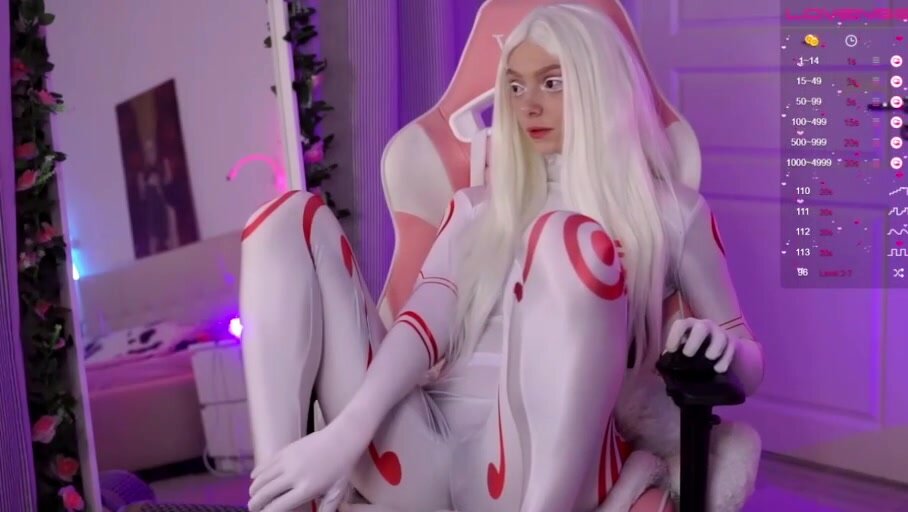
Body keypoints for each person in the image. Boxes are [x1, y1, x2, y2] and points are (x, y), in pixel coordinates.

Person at [239, 4, 764, 512]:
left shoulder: (672, 213)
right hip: (417, 455)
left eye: (551, 83)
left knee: (563, 238)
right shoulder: (476, 207)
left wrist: (722, 349)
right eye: (514, 86)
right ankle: (278, 497)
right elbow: (422, 326)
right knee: (284, 219)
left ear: (598, 84)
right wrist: (343, 434)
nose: (526, 105)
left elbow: (749, 360)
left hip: (528, 477)